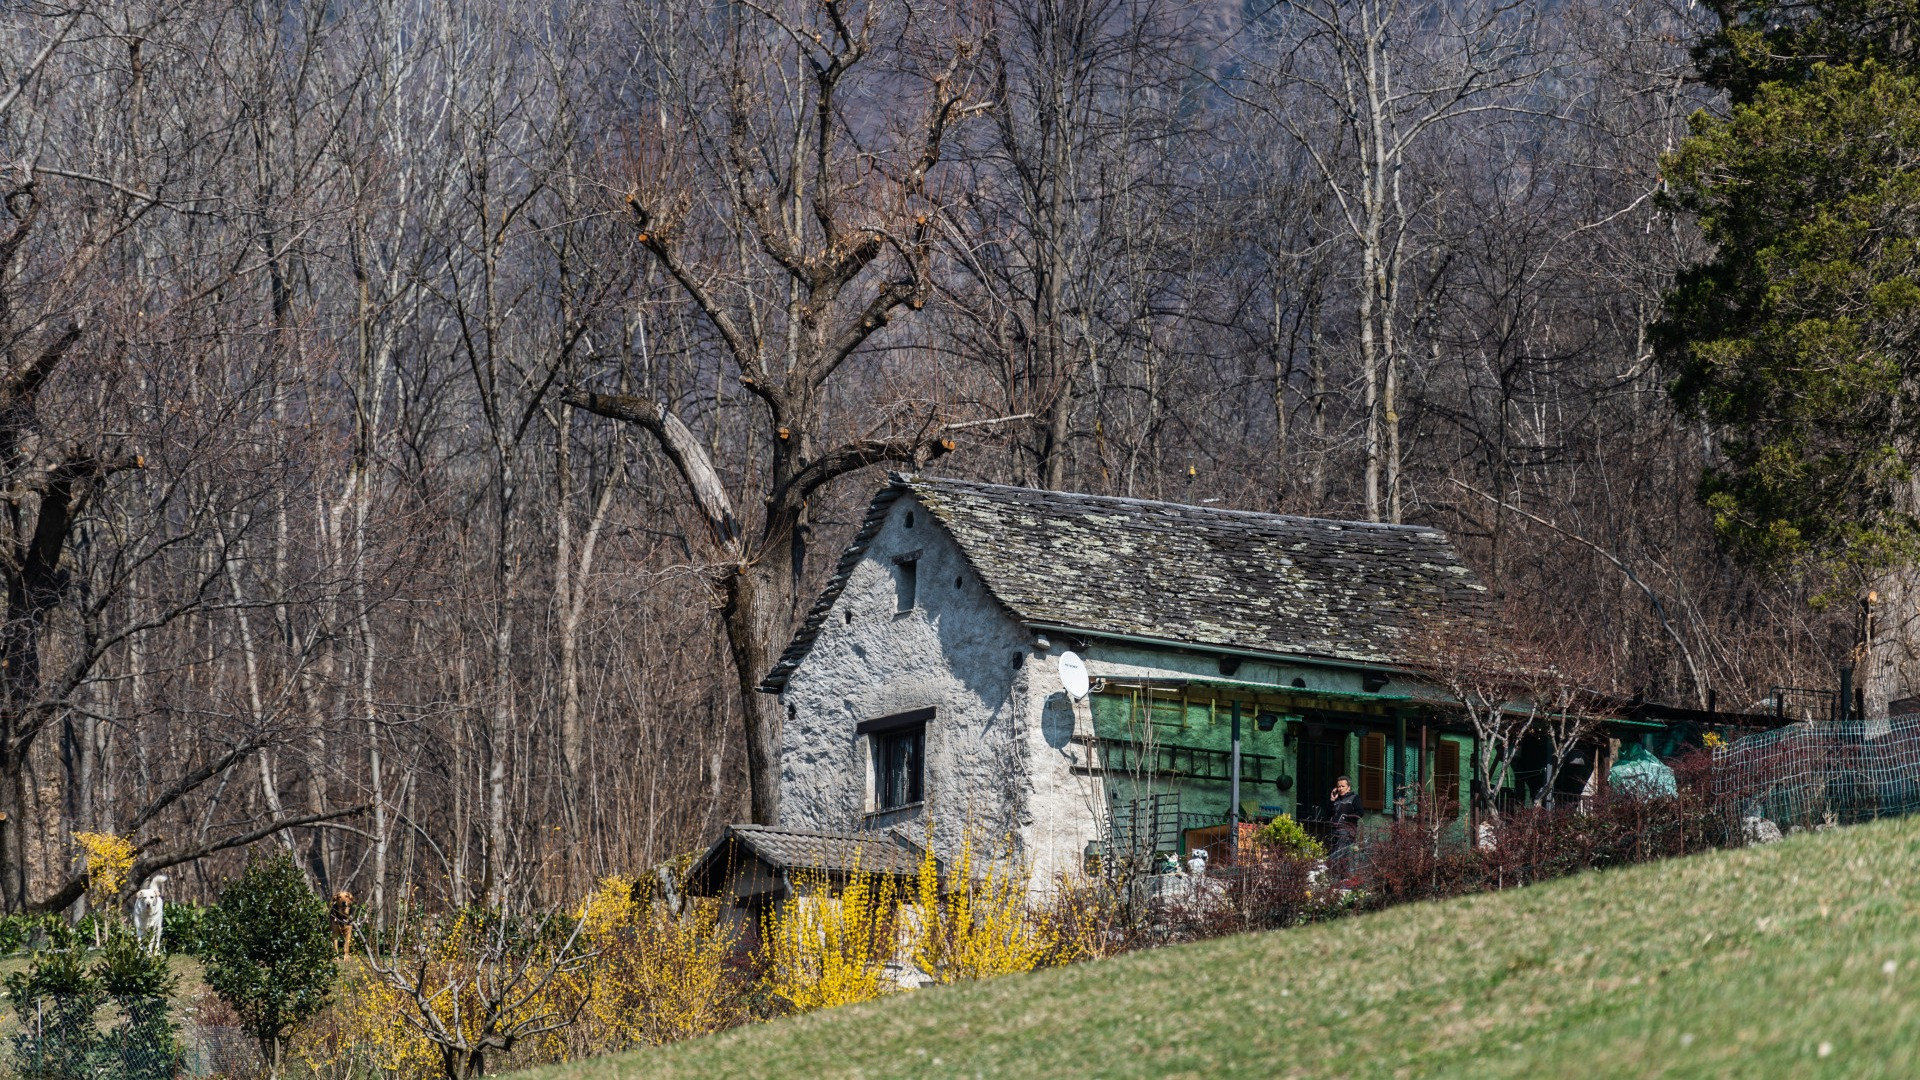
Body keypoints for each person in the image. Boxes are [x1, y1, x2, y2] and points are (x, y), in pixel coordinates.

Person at [1329, 775, 1361, 858]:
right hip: (1334, 831)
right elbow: (1328, 813)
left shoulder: (1354, 798)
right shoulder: (1336, 800)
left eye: (1343, 786)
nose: (1340, 789)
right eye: (1338, 786)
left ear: (1348, 787)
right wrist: (1332, 800)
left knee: (1339, 856)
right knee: (1334, 854)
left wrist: (1347, 818)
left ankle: (1340, 871)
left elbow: (1360, 812)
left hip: (1347, 831)